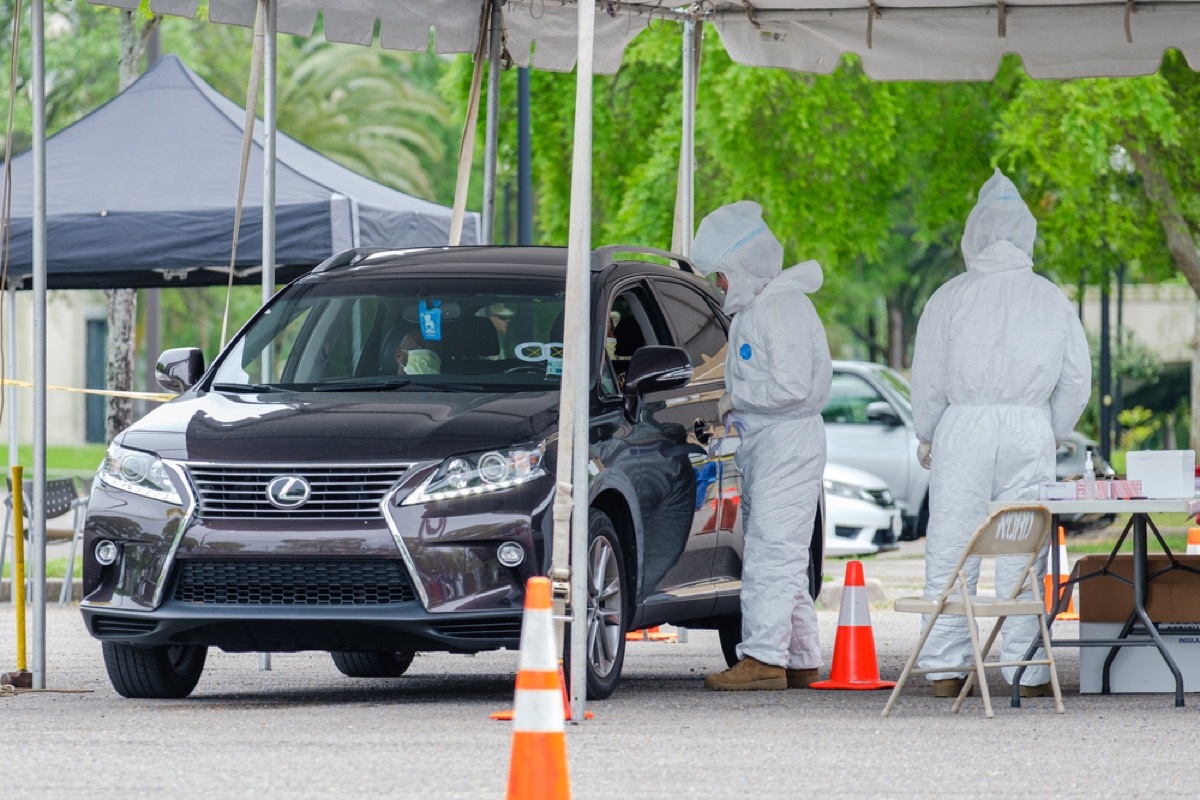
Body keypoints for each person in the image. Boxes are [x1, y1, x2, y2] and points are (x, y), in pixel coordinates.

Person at [910, 168, 1091, 698]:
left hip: (962, 426)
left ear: (974, 232)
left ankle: (946, 669)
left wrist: (928, 433)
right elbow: (1076, 380)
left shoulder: (950, 296)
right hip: (1027, 427)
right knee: (1023, 548)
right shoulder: (1050, 297)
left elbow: (928, 376)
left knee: (952, 547)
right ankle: (1026, 672)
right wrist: (1049, 430)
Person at [693, 200, 833, 691]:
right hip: (771, 443)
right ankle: (798, 658)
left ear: (743, 265)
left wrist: (736, 398)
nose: (719, 287)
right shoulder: (762, 310)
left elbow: (791, 387)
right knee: (784, 556)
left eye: (721, 276)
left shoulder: (781, 308)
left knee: (772, 555)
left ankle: (762, 659)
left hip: (786, 443)